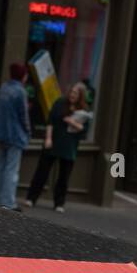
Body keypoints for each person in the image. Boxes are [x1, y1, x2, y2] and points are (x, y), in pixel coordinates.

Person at [25, 81, 89, 213]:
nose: (72, 95)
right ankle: (31, 198)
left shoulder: (84, 110)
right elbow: (50, 121)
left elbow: (84, 130)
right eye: (71, 92)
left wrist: (72, 122)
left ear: (80, 96)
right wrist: (48, 138)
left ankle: (59, 203)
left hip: (69, 147)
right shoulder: (60, 103)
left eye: (76, 93)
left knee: (64, 177)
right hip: (53, 142)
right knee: (42, 171)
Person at [0, 62, 30, 210]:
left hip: (1, 133)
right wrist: (28, 132)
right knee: (11, 170)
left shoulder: (4, 88)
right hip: (15, 135)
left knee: (0, 166)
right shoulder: (20, 91)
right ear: (22, 75)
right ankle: (7, 202)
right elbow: (23, 116)